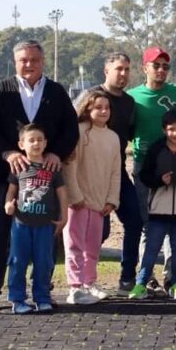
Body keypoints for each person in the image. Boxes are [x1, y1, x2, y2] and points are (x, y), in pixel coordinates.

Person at [0, 40, 79, 310]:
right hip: (7, 178)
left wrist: (56, 153)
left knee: (45, 242)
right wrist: (7, 153)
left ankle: (42, 292)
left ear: (42, 61)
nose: (29, 64)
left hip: (45, 182)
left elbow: (71, 129)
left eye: (34, 60)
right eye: (23, 60)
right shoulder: (0, 91)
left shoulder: (56, 92)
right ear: (15, 62)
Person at [79, 52, 144, 297]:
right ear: (106, 71)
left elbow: (130, 134)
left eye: (127, 69)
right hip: (90, 175)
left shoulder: (129, 103)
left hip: (116, 173)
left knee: (135, 220)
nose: (123, 74)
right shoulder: (90, 96)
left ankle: (127, 278)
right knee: (99, 232)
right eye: (119, 69)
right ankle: (83, 281)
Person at [126, 46, 176, 294]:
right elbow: (127, 130)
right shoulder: (132, 97)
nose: (161, 70)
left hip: (175, 164)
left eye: (165, 66)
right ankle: (146, 276)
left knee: (173, 220)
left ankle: (172, 277)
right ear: (145, 68)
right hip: (144, 166)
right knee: (147, 222)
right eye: (156, 65)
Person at [130, 110, 176, 300]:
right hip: (158, 210)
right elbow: (144, 176)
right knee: (151, 249)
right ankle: (140, 284)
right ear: (164, 130)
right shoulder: (156, 149)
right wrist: (158, 181)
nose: (175, 133)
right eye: (171, 129)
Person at [62, 90, 121, 305]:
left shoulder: (113, 137)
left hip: (99, 202)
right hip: (77, 202)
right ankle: (75, 287)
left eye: (107, 107)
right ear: (87, 109)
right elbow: (69, 165)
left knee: (93, 246)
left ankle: (89, 283)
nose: (103, 111)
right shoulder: (78, 132)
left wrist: (112, 200)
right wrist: (74, 195)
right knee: (74, 245)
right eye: (98, 107)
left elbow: (116, 171)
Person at [4, 124, 69, 314]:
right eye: (31, 140)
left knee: (43, 262)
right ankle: (17, 299)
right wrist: (8, 205)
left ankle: (42, 298)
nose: (36, 143)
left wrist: (64, 218)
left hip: (45, 225)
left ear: (46, 143)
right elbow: (10, 193)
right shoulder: (19, 168)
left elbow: (62, 195)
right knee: (17, 261)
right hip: (21, 224)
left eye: (40, 140)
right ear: (21, 144)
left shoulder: (53, 169)